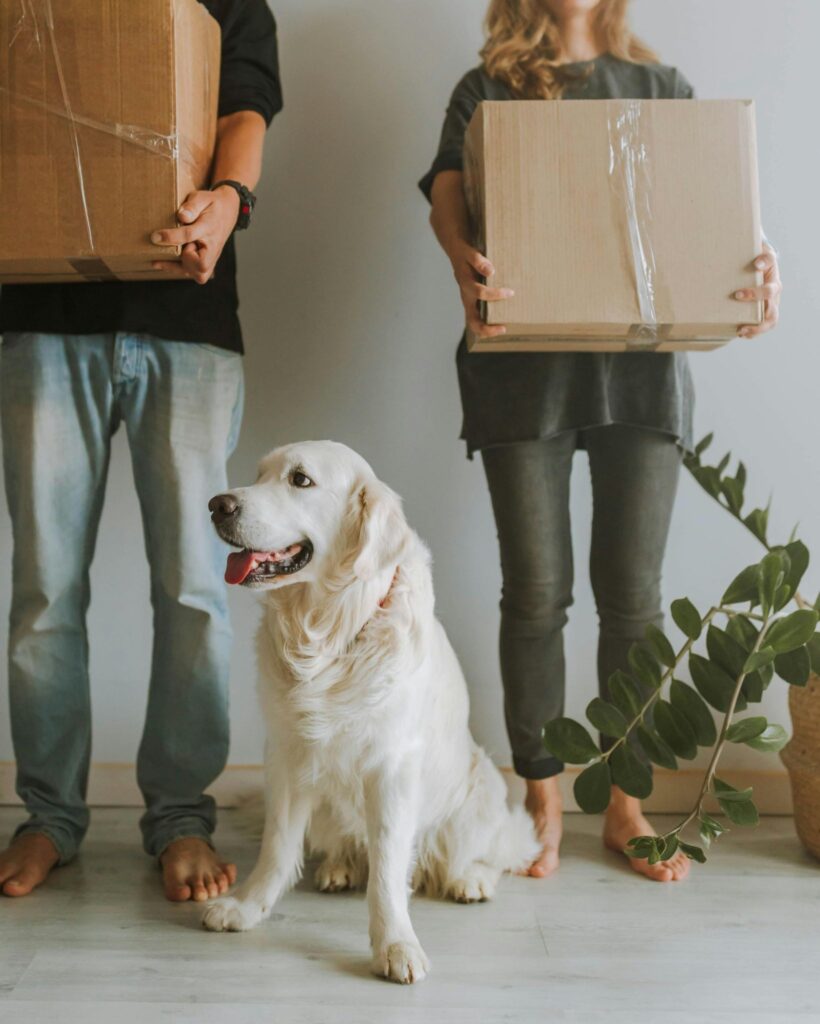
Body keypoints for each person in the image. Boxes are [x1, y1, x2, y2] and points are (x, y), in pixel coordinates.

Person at [420, 0, 782, 882]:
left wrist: (759, 262)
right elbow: (446, 199)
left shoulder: (663, 91)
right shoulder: (488, 91)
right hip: (523, 373)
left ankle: (625, 800)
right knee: (537, 594)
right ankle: (541, 794)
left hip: (642, 373)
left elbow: (717, 209)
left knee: (634, 598)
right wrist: (461, 256)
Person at [0, 0, 282, 900]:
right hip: (43, 316)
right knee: (46, 585)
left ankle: (180, 820)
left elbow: (245, 111)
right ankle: (48, 816)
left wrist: (229, 203)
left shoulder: (225, 2)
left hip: (187, 317)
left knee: (195, 586)